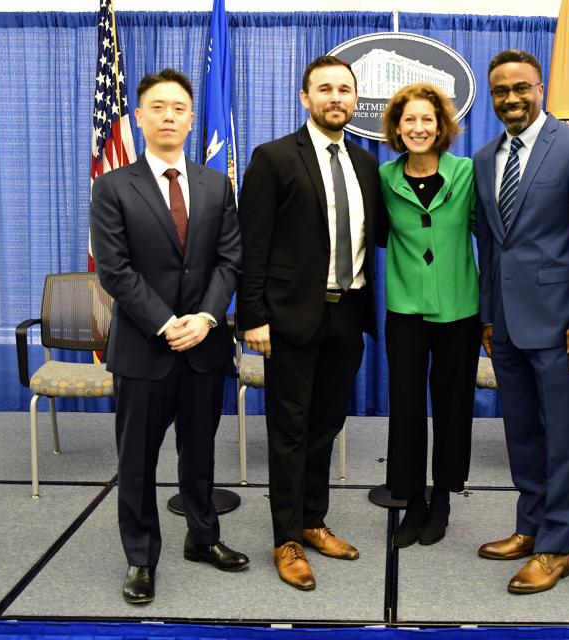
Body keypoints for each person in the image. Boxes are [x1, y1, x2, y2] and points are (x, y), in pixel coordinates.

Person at [90, 68, 247, 605]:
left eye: (179, 108)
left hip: (204, 346)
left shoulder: (216, 184)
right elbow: (115, 270)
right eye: (157, 107)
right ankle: (140, 557)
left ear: (191, 118)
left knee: (199, 453)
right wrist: (165, 322)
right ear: (139, 117)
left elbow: (231, 259)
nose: (169, 116)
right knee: (137, 461)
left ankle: (203, 539)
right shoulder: (113, 186)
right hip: (144, 347)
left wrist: (204, 319)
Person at [473, 50, 569, 594]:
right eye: (500, 91)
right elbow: (490, 246)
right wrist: (489, 318)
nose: (510, 98)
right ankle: (529, 527)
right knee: (522, 435)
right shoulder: (487, 156)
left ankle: (558, 547)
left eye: (521, 88)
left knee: (563, 439)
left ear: (540, 89)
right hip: (507, 326)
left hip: (564, 328)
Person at [237, 56, 381, 591]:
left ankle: (313, 520)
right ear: (305, 98)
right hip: (290, 318)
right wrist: (252, 317)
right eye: (325, 89)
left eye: (344, 89)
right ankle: (286, 538)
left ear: (354, 99)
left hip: (348, 315)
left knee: (325, 426)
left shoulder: (367, 164)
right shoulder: (273, 158)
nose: (336, 98)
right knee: (289, 431)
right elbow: (252, 245)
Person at [378, 83, 480, 548]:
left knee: (453, 405)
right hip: (406, 311)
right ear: (397, 129)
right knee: (406, 407)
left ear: (441, 127)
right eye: (409, 120)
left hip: (459, 310)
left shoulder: (467, 174)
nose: (418, 128)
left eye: (427, 119)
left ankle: (443, 497)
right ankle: (412, 500)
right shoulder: (383, 178)